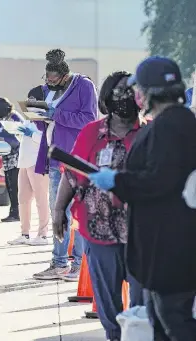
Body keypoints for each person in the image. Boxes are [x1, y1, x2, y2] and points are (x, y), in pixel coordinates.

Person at [89, 57, 196, 341]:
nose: (135, 97)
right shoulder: (178, 123)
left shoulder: (169, 128)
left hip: (171, 250)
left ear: (149, 92)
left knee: (176, 324)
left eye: (138, 90)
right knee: (162, 324)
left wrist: (117, 180)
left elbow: (158, 180)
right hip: (170, 248)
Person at [53, 71, 144, 341]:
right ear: (107, 98)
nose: (125, 99)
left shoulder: (150, 133)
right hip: (98, 233)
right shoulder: (92, 132)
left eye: (131, 93)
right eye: (119, 93)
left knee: (142, 309)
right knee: (108, 307)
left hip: (143, 235)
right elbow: (71, 173)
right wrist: (59, 210)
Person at [33, 49, 98, 281]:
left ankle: (80, 264)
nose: (49, 83)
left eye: (52, 79)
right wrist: (40, 115)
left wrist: (57, 114)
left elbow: (89, 118)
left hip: (76, 159)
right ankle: (59, 262)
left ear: (64, 75)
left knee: (77, 212)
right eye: (46, 79)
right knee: (58, 212)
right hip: (55, 159)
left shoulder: (84, 86)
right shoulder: (50, 92)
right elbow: (53, 120)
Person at [7, 85, 49, 246]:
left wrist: (32, 134)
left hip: (37, 162)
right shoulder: (28, 117)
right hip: (24, 162)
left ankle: (43, 235)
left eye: (33, 100)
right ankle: (24, 234)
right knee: (23, 199)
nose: (30, 102)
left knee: (41, 199)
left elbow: (46, 138)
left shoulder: (44, 118)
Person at [0, 97, 24, 222]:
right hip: (7, 156)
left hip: (16, 158)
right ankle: (13, 211)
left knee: (15, 186)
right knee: (9, 185)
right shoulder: (3, 119)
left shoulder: (15, 118)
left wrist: (4, 138)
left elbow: (17, 139)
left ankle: (17, 212)